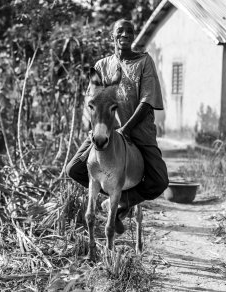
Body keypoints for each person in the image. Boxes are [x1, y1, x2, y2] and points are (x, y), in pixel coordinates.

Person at [66, 19, 169, 234]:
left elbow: (147, 100)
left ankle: (121, 202)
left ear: (133, 36)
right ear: (112, 36)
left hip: (138, 131)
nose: (125, 34)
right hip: (106, 131)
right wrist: (93, 128)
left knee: (159, 180)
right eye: (120, 31)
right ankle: (114, 195)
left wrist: (127, 129)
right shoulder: (102, 65)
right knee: (74, 169)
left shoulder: (144, 62)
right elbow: (92, 100)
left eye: (130, 31)